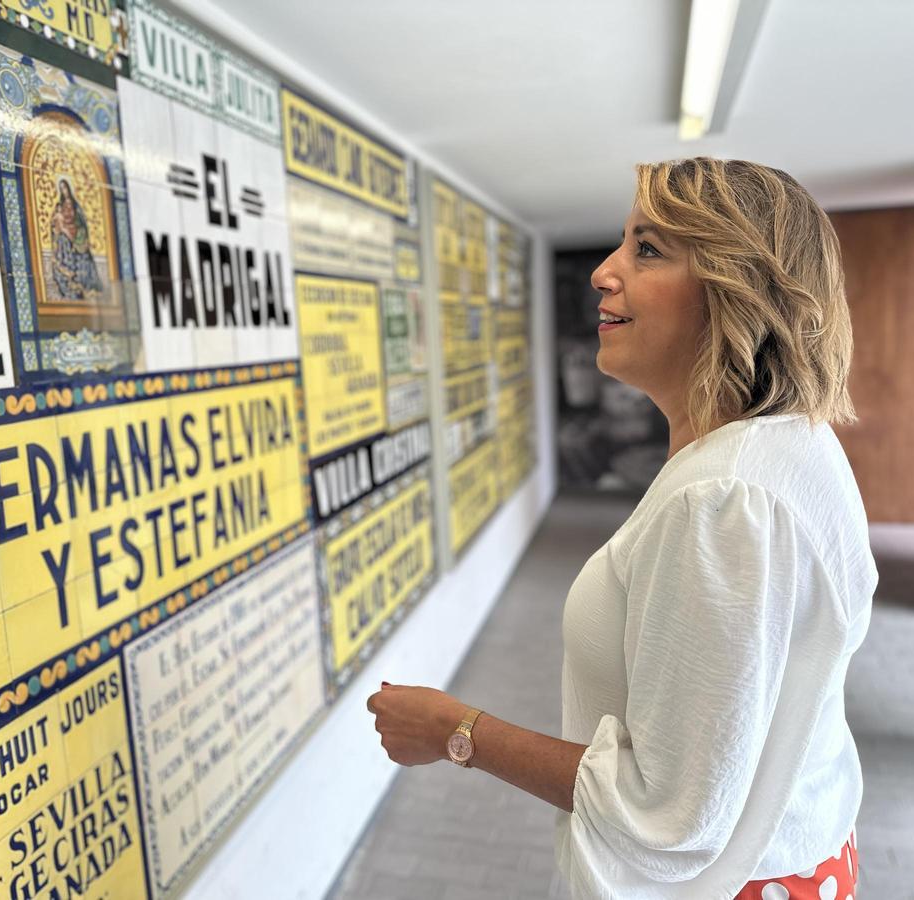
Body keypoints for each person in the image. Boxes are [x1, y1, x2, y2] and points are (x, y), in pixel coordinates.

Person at [366, 157, 875, 899]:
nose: (605, 273)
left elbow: (665, 817)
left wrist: (455, 729)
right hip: (801, 856)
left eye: (648, 249)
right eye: (621, 243)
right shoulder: (793, 442)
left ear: (736, 286)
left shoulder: (722, 501)